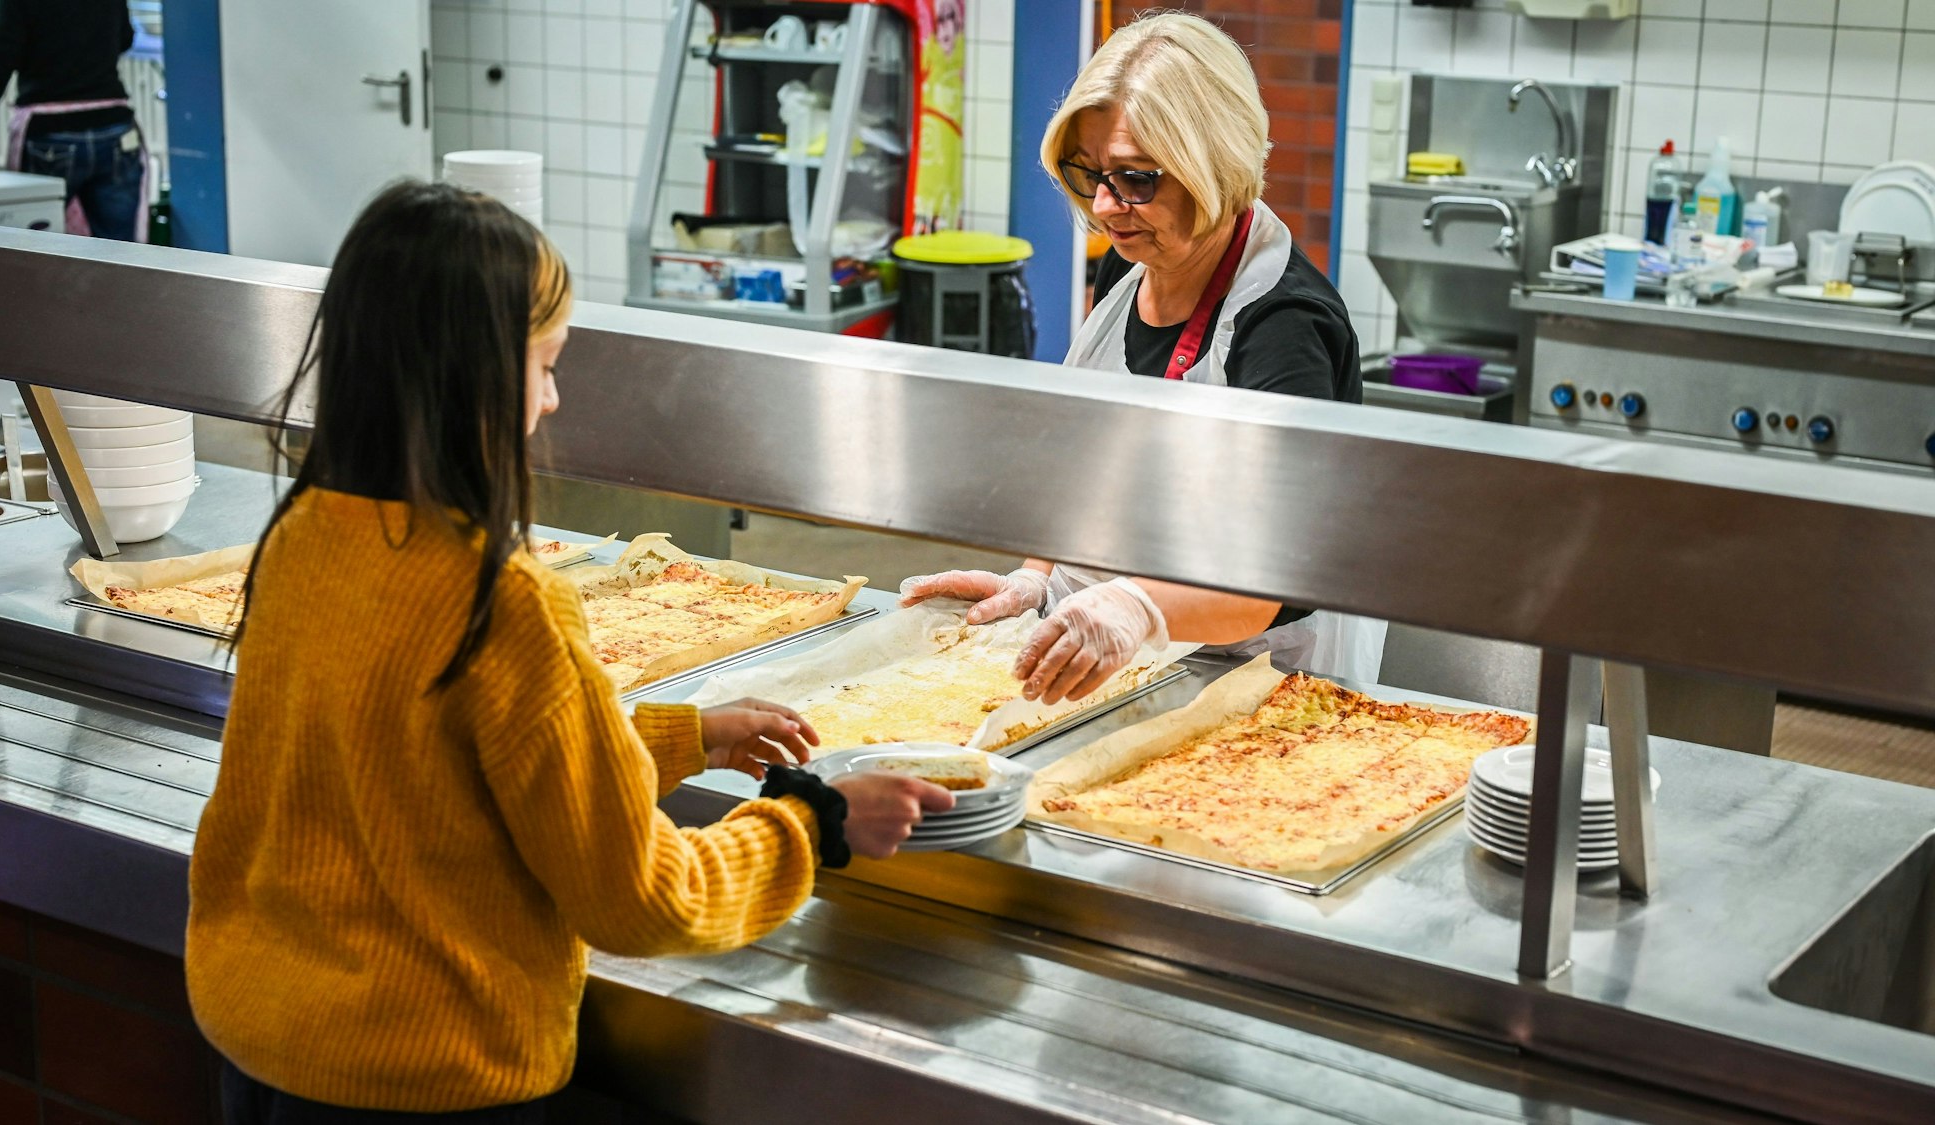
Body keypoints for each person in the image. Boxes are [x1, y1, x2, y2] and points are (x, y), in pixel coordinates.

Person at [185, 182, 953, 1121]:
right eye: (544, 364)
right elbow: (639, 901)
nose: (551, 400)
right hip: (426, 1078)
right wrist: (814, 824)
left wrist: (680, 738)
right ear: (470, 377)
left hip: (262, 1050)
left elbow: (430, 765)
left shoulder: (306, 533)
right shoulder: (502, 601)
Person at [900, 13, 1383, 703]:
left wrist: (1132, 609)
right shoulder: (1128, 269)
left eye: (1136, 178)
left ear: (1213, 161)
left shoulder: (1284, 327)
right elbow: (1083, 470)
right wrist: (1037, 581)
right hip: (1125, 665)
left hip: (1260, 692)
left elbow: (1272, 587)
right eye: (1090, 173)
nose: (1105, 206)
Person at [0, 0, 148, 240]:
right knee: (121, 253)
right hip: (113, 128)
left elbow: (5, 52)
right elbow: (125, 38)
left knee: (42, 249)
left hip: (49, 132)